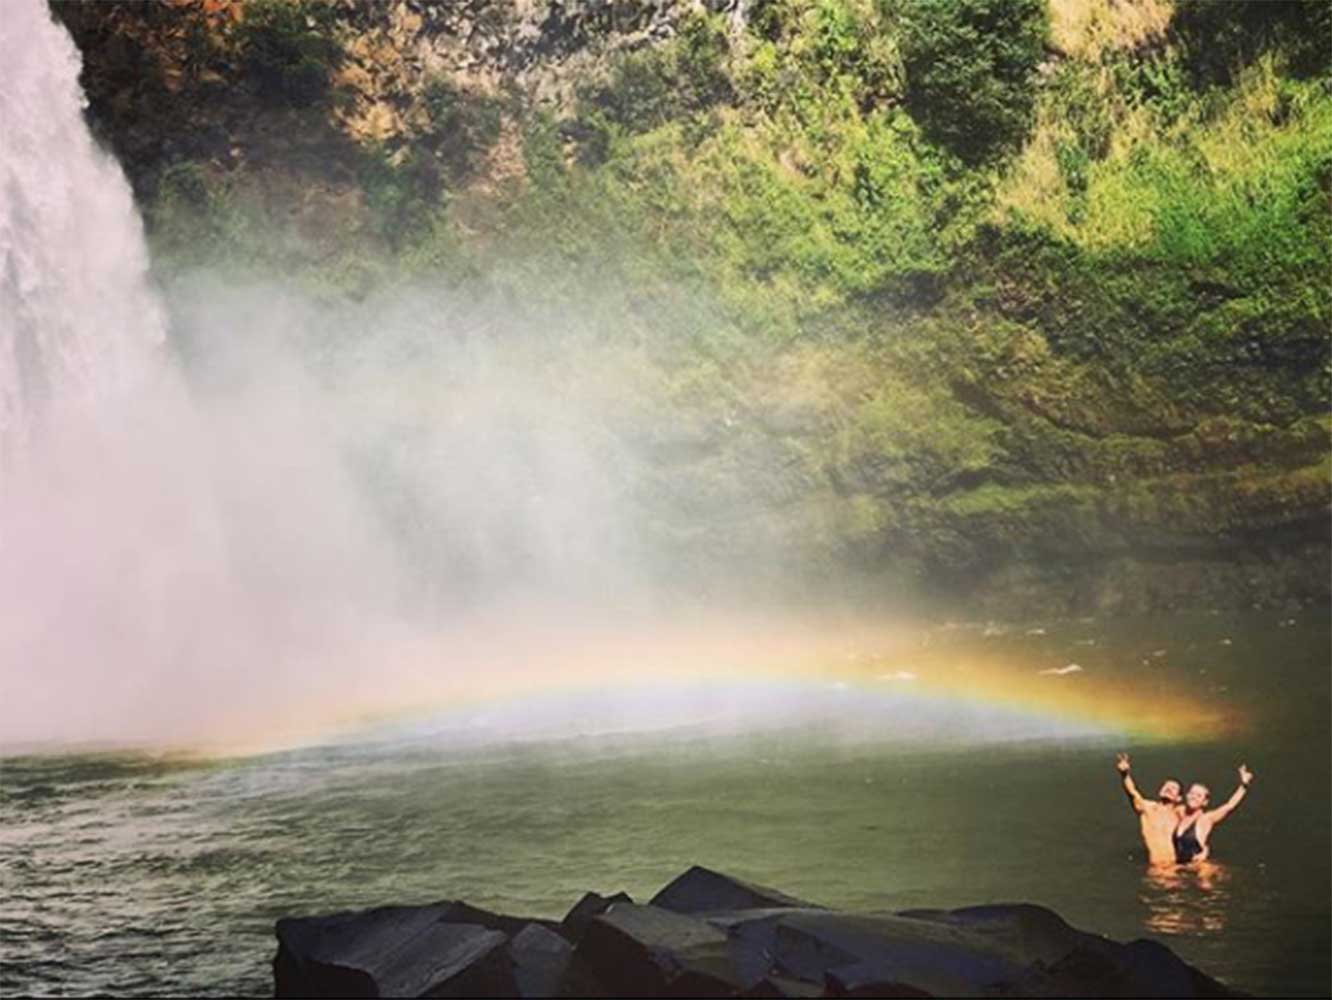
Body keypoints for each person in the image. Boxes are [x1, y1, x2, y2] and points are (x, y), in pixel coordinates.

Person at [1172, 764, 1254, 863]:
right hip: (1180, 870)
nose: (1194, 797)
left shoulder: (1206, 819)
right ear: (1187, 795)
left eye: (1199, 795)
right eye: (1192, 793)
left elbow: (1229, 806)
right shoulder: (1179, 812)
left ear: (1205, 802)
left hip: (1200, 871)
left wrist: (1243, 785)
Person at [1115, 752, 1184, 865]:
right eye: (1166, 786)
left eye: (1173, 788)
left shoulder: (1180, 813)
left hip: (1179, 866)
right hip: (1157, 867)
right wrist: (1125, 775)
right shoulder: (1148, 809)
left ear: (1179, 798)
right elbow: (1132, 792)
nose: (1168, 789)